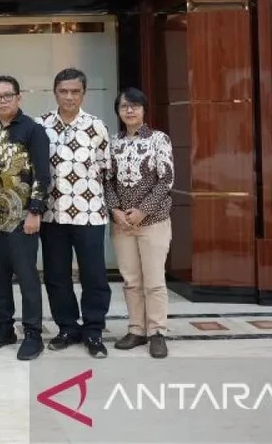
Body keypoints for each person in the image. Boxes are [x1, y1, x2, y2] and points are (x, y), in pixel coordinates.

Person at [37, 68, 113, 359]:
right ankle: (67, 327)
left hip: (90, 215)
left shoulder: (97, 127)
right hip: (52, 216)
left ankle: (94, 330)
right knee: (56, 276)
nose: (69, 96)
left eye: (75, 91)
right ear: (55, 92)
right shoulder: (40, 125)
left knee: (94, 276)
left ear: (84, 93)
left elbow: (107, 173)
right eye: (63, 91)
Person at [0, 75, 49, 361]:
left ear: (19, 97)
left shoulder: (33, 130)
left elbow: (43, 175)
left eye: (7, 95)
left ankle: (33, 334)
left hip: (22, 220)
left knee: (27, 278)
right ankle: (4, 328)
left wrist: (35, 211)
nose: (2, 100)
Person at [106, 87, 174, 359]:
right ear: (119, 112)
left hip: (153, 221)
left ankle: (157, 332)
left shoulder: (159, 140)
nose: (130, 110)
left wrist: (142, 211)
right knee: (131, 281)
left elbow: (166, 180)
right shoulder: (112, 142)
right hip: (122, 224)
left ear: (144, 109)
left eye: (135, 106)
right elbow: (106, 181)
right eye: (124, 106)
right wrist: (115, 211)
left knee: (154, 281)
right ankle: (136, 329)